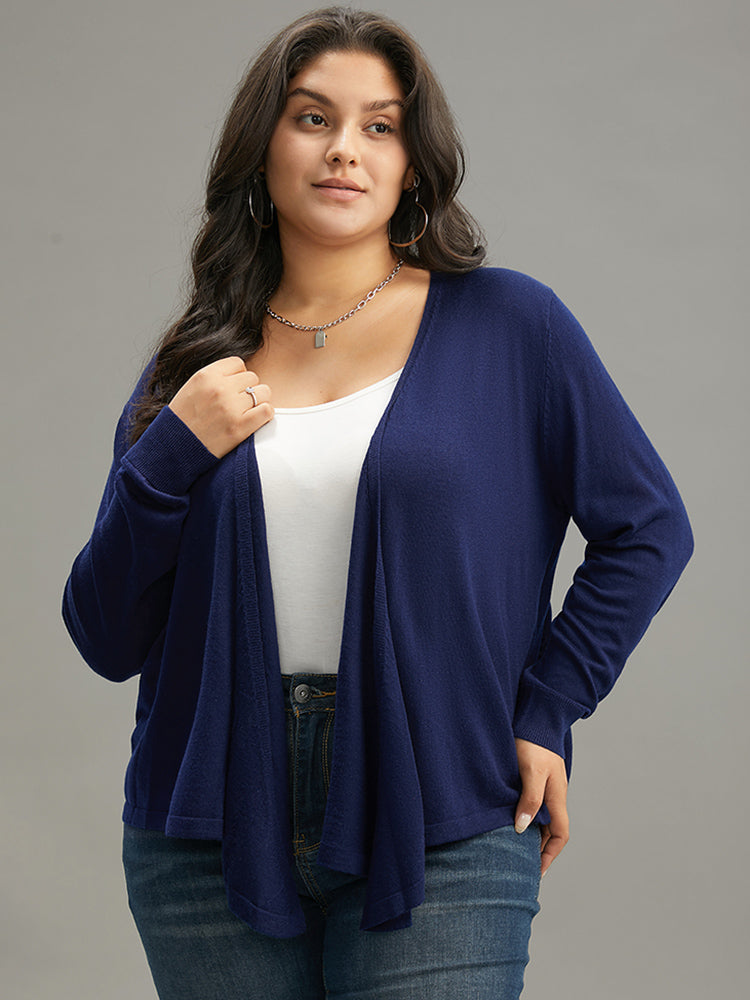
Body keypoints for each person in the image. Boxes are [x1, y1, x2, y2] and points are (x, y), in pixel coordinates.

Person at [62, 7, 693, 999]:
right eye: (313, 117)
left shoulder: (509, 326)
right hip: (205, 823)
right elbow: (104, 634)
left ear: (412, 164)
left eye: (381, 125)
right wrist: (172, 450)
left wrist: (549, 706)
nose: (344, 149)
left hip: (448, 801)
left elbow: (649, 527)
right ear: (264, 146)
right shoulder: (194, 363)